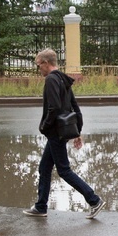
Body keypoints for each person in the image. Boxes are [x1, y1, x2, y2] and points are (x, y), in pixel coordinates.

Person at [24, 48, 104, 219]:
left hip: (55, 132)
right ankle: (40, 207)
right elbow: (74, 107)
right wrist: (78, 131)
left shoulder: (52, 80)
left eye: (39, 65)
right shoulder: (62, 78)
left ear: (46, 63)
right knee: (44, 168)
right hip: (60, 131)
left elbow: (54, 108)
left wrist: (44, 127)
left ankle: (94, 200)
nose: (39, 69)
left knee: (64, 170)